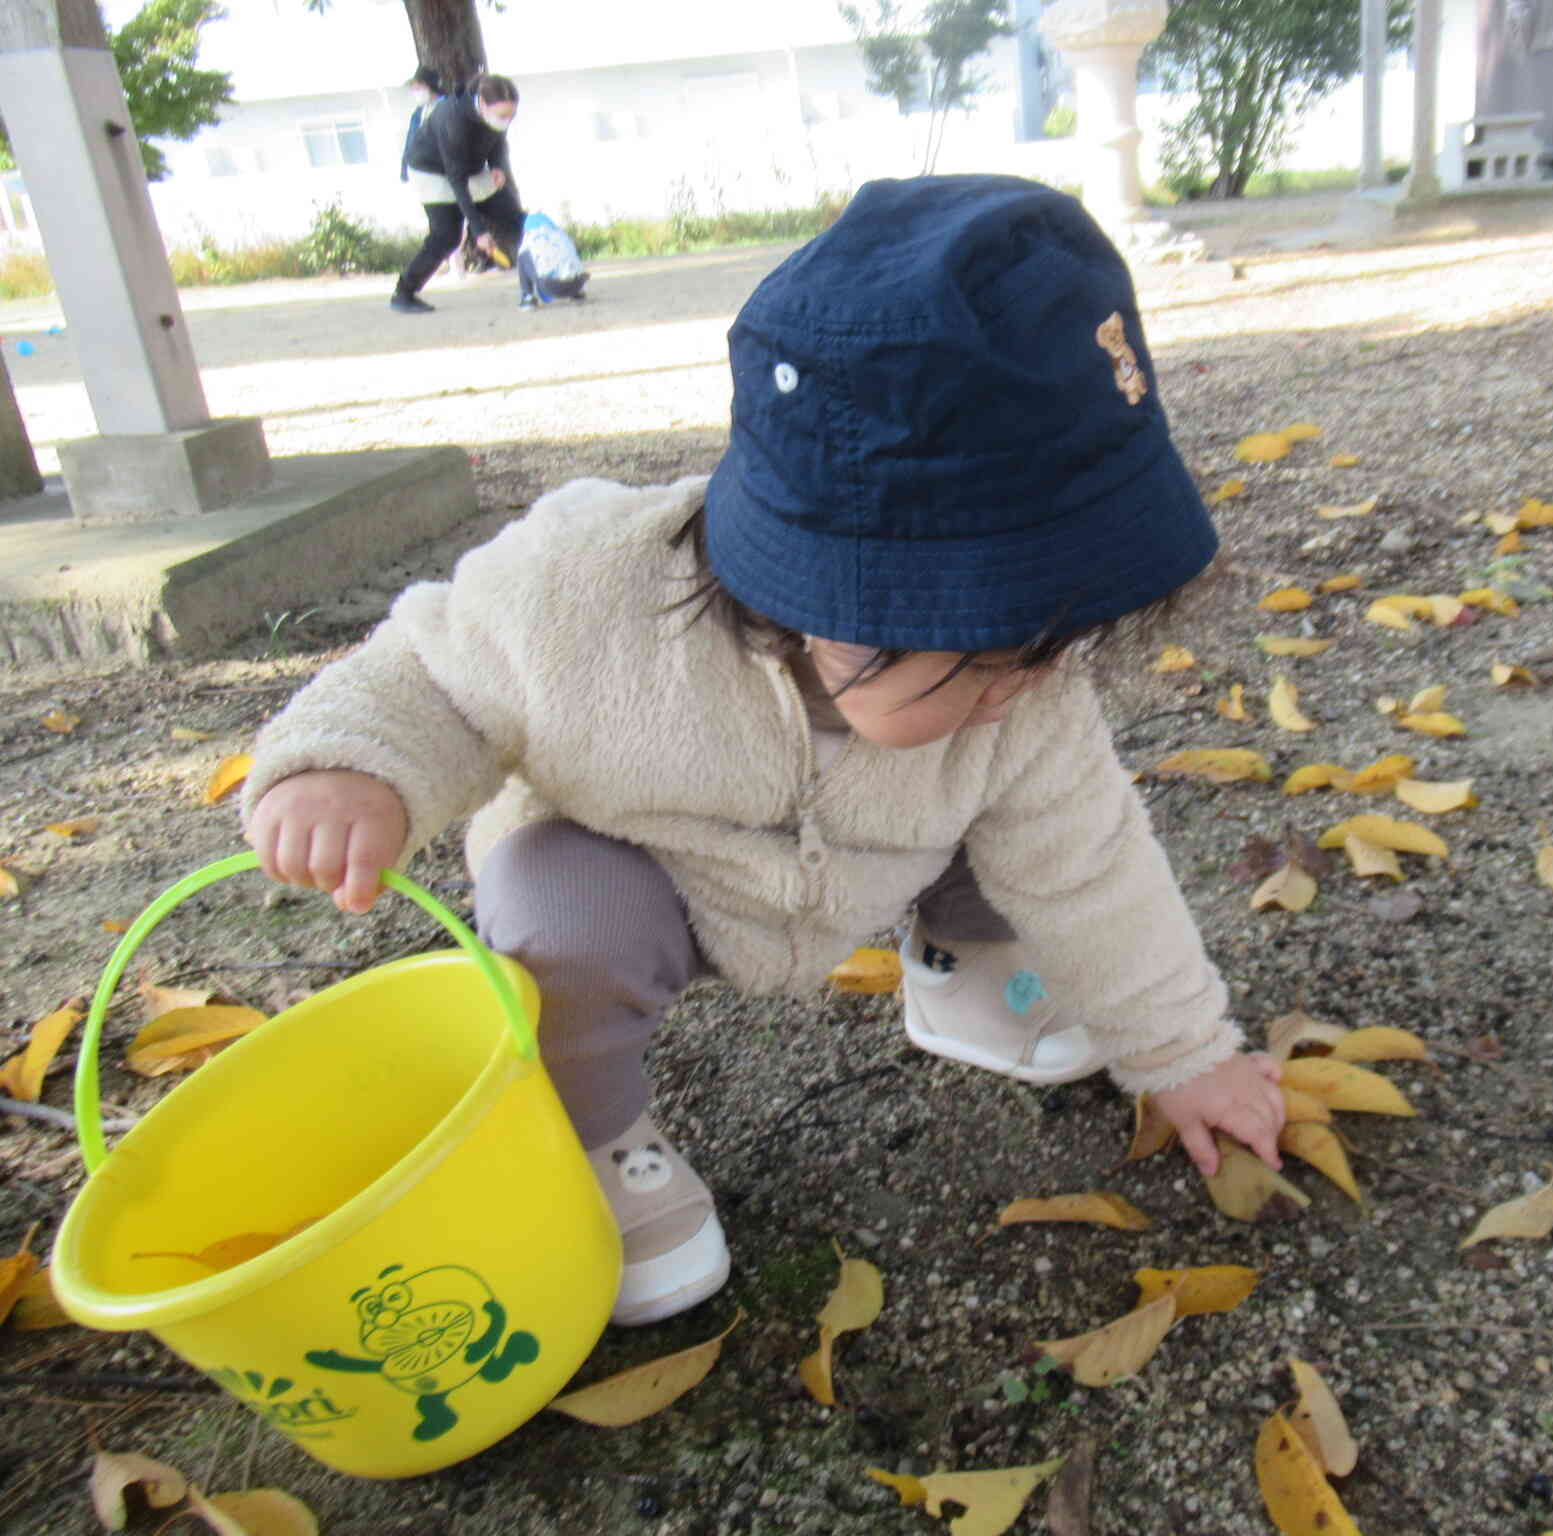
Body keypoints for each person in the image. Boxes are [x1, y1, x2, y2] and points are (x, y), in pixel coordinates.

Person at [243, 175, 1288, 1329]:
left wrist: (1184, 1053)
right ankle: (594, 1139)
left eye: (1050, 639)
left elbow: (1091, 864)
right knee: (559, 921)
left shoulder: (1019, 687)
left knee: (1019, 819)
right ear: (814, 585)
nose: (1023, 689)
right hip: (645, 872)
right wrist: (344, 767)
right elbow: (430, 673)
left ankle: (956, 974)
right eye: (982, 649)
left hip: (876, 857)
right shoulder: (578, 591)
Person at [391, 73, 523, 315]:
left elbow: (497, 141)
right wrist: (479, 231)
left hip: (467, 168)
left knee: (512, 216)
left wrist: (496, 166)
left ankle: (550, 273)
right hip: (431, 171)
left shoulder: (494, 116)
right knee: (447, 236)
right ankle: (404, 294)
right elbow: (456, 179)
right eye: (503, 116)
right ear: (482, 104)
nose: (507, 121)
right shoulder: (452, 118)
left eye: (511, 115)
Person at [513, 211, 587, 309]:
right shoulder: (563, 235)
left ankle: (528, 297)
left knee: (522, 256)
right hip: (578, 283)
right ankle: (577, 293)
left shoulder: (529, 239)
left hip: (552, 287)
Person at [397, 65, 441, 186]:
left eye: (417, 87)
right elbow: (410, 141)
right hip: (422, 177)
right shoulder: (419, 112)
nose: (414, 91)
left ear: (428, 86)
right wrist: (404, 170)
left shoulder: (447, 106)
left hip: (442, 174)